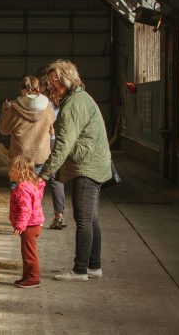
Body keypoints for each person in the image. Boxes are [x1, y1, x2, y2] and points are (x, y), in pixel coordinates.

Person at [39, 60, 111, 282]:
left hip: (86, 167)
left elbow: (63, 144)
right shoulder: (79, 98)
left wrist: (44, 173)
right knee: (91, 218)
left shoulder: (73, 104)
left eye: (55, 81)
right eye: (49, 81)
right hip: (93, 163)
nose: (51, 85)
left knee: (83, 219)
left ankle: (80, 269)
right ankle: (94, 265)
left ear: (67, 79)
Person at [0, 75, 55, 185]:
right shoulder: (48, 106)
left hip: (20, 159)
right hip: (41, 156)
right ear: (38, 87)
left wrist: (5, 110)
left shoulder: (14, 107)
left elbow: (3, 130)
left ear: (22, 89)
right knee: (35, 193)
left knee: (18, 193)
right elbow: (52, 130)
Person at [36, 66, 67, 230]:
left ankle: (34, 214)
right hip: (54, 139)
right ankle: (59, 216)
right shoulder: (60, 97)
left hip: (41, 140)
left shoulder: (40, 99)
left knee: (36, 175)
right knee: (56, 178)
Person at [9, 155, 45, 288]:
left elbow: (26, 209)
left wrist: (20, 224)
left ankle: (33, 278)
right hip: (33, 224)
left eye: (11, 170)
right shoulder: (31, 184)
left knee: (29, 253)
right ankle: (27, 276)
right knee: (26, 252)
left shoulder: (22, 188)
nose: (9, 173)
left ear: (20, 171)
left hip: (29, 226)